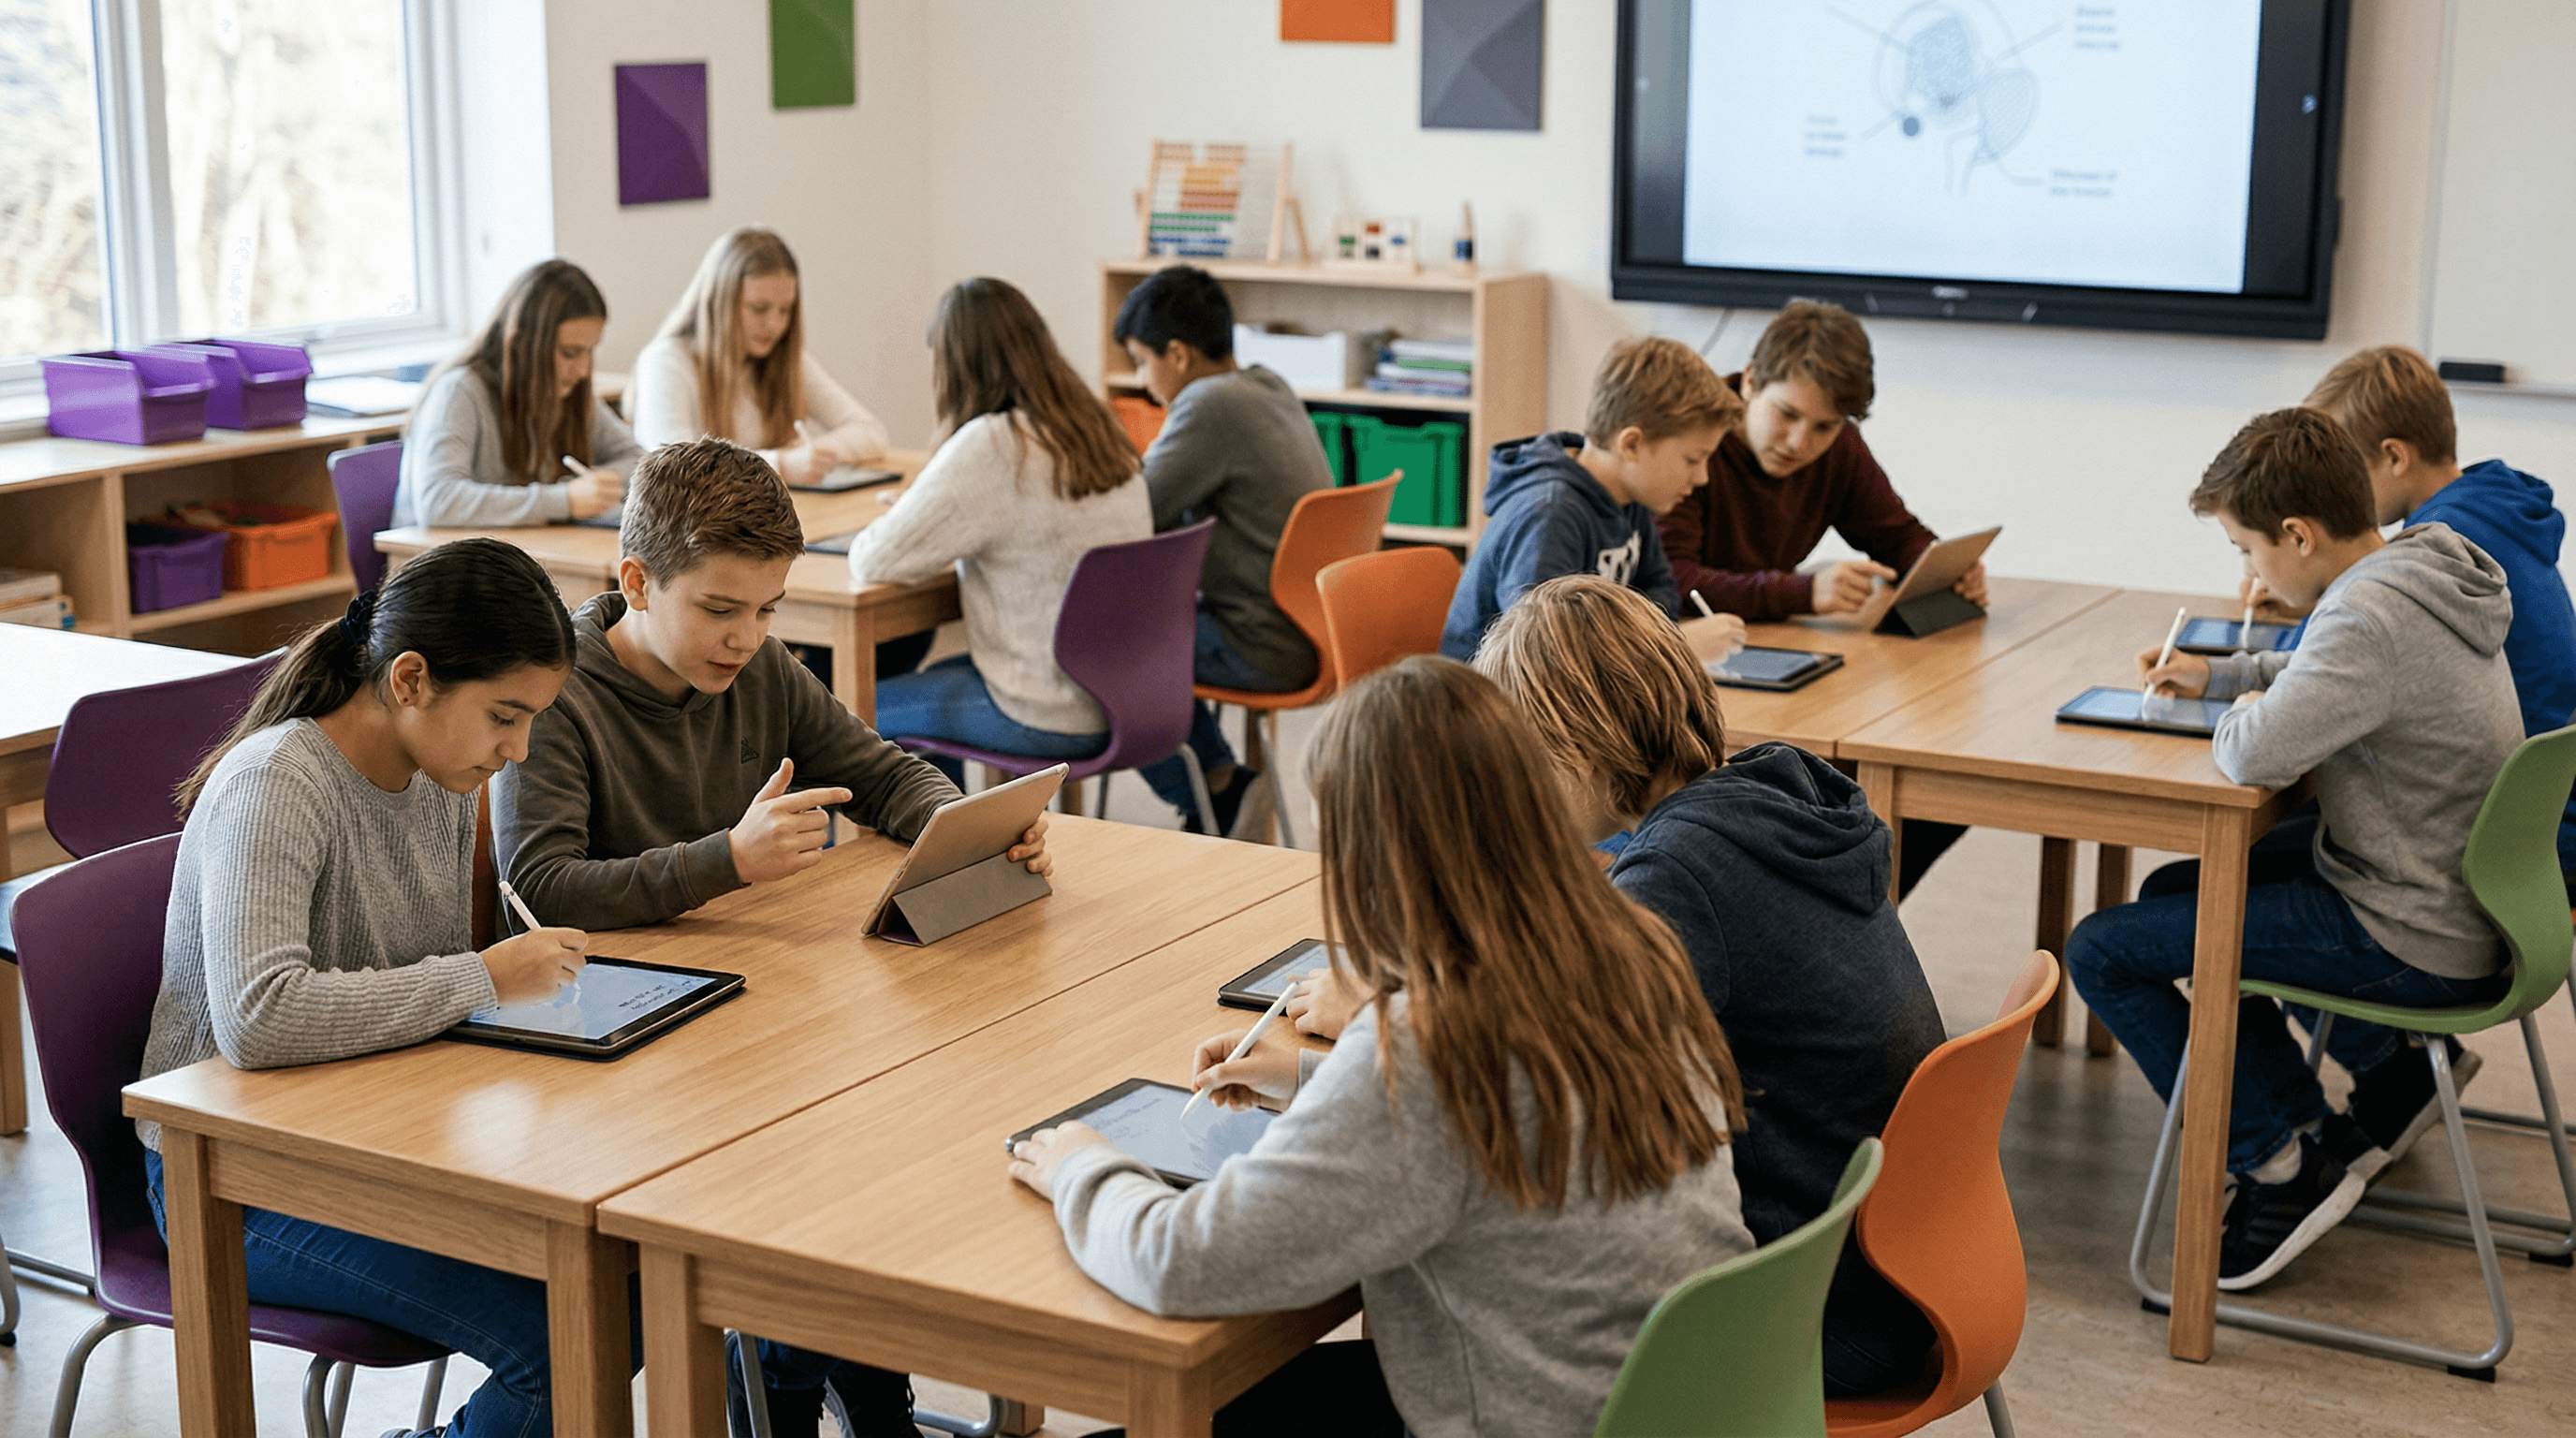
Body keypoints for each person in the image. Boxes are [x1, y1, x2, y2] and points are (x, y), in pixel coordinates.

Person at [1006, 655, 1757, 1438]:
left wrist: (1082, 1168)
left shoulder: (1431, 1045)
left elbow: (1181, 1263)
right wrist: (1314, 1077)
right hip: (1675, 1399)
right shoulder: (1630, 945)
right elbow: (1504, 1120)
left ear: (1377, 860)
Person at [490, 437, 1049, 1436]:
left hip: (743, 1011)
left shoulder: (756, 669)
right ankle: (798, 1380)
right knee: (819, 1171)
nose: (746, 638)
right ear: (636, 583)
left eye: (766, 611)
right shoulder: (559, 691)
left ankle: (826, 1375)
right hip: (616, 1060)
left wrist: (958, 827)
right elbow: (540, 884)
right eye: (719, 608)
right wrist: (725, 861)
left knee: (882, 1135)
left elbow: (880, 770)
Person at [138, 537, 622, 1438]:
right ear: (409, 680)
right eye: (505, 717)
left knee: (616, 1292)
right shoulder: (278, 782)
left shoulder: (440, 769)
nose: (516, 751)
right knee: (566, 1340)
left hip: (369, 1131)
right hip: (232, 1178)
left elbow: (414, 982)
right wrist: (482, 976)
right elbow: (258, 1018)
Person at [2070, 407, 2520, 1290]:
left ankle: (2276, 1166)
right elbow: (2326, 671)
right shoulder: (2416, 567)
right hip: (2457, 897)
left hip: (2409, 932)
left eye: (2246, 550)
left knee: (2103, 950)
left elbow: (2251, 751)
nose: (2247, 570)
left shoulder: (2369, 623)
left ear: (2299, 536)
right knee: (2173, 892)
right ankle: (2313, 1125)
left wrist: (2237, 710)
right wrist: (2226, 674)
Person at [1470, 574, 1945, 1398]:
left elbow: (1544, 1077)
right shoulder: (1776, 797)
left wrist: (1380, 1012)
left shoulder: (1681, 873)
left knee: (1479, 1272)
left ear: (1577, 745)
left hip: (1809, 1310)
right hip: (1909, 1266)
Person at [1658, 302, 1978, 895]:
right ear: (1749, 382)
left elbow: (1896, 533)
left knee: (1944, 786)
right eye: (1786, 414)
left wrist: (1945, 569)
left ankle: (1847, 919)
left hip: (1772, 663)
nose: (1801, 441)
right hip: (1695, 674)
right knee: (1838, 791)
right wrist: (1803, 591)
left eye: (1825, 427)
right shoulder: (1690, 442)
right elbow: (1676, 583)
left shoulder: (1837, 448)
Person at [846, 277, 1152, 785]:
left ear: (957, 367)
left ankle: (941, 851)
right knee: (925, 686)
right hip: (1121, 695)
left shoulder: (994, 443)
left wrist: (909, 515)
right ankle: (954, 841)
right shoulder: (1096, 427)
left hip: (1044, 711)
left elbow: (873, 560)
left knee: (850, 707)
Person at [2305, 345, 2576, 895]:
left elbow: (2348, 654)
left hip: (2499, 836)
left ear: (2394, 457)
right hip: (2537, 815)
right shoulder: (2487, 506)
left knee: (2271, 846)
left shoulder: (2446, 543)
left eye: (2344, 472)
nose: (2333, 492)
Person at [1113, 264, 1334, 836]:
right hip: (1309, 628)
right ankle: (1221, 787)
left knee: (1104, 648)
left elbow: (1134, 512)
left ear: (1179, 355)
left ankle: (1217, 790)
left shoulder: (1208, 404)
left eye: (1143, 361)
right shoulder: (1269, 386)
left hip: (1261, 644)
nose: (1142, 381)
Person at [1439, 335, 1749, 662]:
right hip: (1500, 704)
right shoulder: (1549, 515)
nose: (1702, 477)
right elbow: (1542, 654)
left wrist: (1648, 641)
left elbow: (1662, 595)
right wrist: (1670, 647)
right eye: (1693, 459)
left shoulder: (1632, 498)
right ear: (1630, 445)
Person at [629, 226, 890, 482]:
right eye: (759, 308)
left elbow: (870, 432)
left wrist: (811, 456)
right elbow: (674, 467)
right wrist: (781, 465)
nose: (774, 326)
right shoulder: (665, 361)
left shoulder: (784, 358)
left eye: (784, 311)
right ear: (721, 302)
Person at [394, 258, 641, 527]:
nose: (582, 370)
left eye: (589, 352)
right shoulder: (459, 392)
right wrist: (564, 499)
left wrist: (592, 488)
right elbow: (438, 501)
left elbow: (639, 462)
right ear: (524, 344)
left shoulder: (569, 393)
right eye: (570, 353)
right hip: (442, 562)